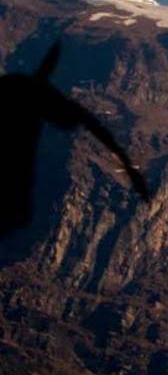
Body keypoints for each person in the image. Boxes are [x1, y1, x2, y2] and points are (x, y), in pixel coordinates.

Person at [1, 43, 149, 239]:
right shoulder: (42, 94)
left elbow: (91, 126)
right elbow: (94, 127)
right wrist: (130, 170)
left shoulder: (17, 84)